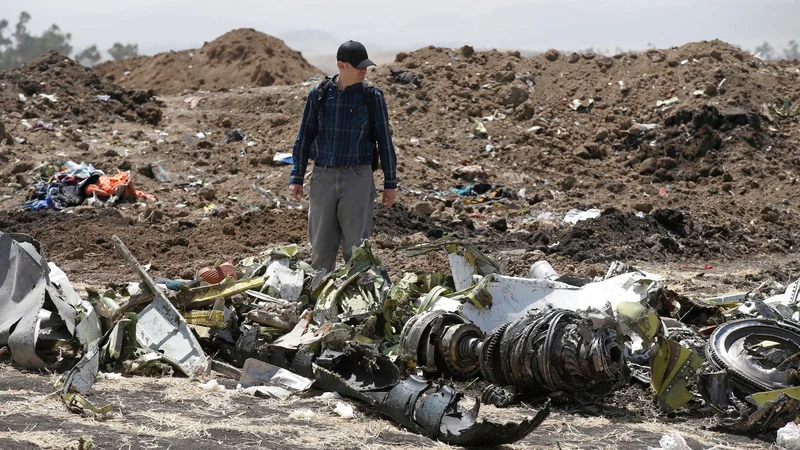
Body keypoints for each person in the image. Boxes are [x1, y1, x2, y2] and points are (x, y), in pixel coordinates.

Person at [289, 40, 398, 273]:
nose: (364, 70)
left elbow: (385, 142)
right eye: (358, 66)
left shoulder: (372, 97)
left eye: (366, 66)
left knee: (356, 249)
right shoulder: (318, 95)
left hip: (357, 179)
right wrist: (296, 176)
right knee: (320, 247)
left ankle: (356, 300)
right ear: (341, 65)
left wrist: (390, 183)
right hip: (323, 178)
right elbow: (304, 137)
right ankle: (321, 301)